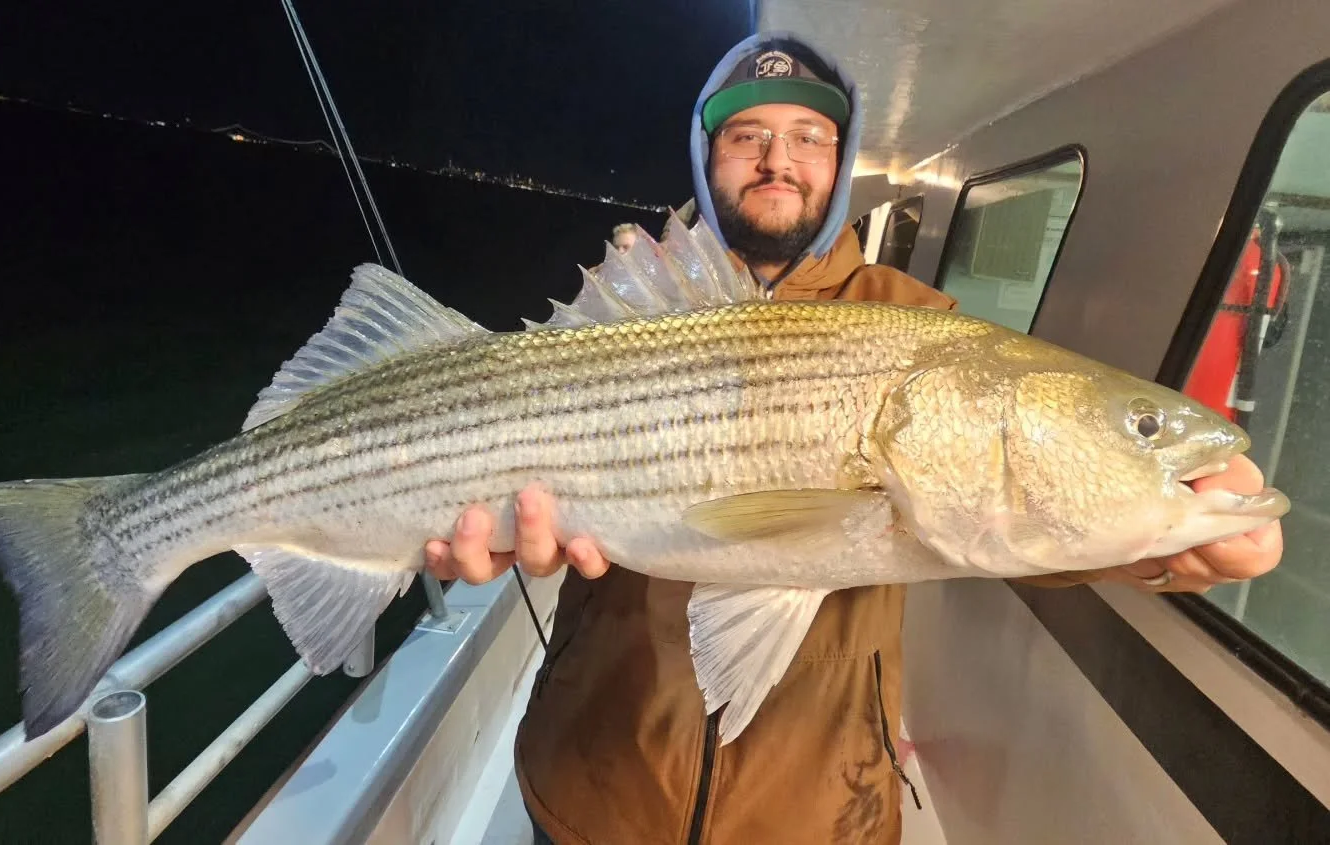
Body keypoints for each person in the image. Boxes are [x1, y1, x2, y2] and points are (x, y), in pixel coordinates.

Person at [424, 32, 1285, 845]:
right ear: (706, 156)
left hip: (814, 807)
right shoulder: (619, 317)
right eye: (747, 137)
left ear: (838, 163)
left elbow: (1007, 512)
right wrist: (445, 522)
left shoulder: (921, 325)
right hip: (593, 782)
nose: (778, 160)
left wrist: (1160, 552)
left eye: (809, 136)